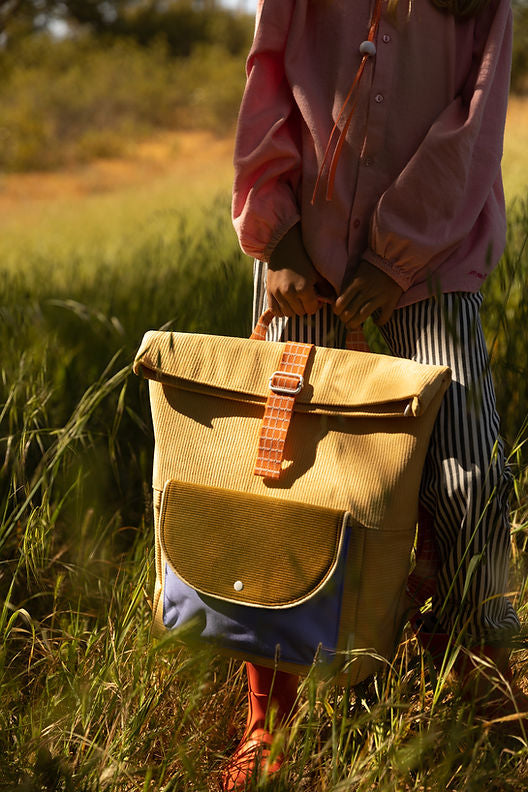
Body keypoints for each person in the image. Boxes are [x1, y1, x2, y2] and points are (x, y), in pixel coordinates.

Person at [224, 0, 525, 787]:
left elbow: (476, 115)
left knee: (470, 481)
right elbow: (267, 79)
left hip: (431, 250)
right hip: (301, 254)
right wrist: (275, 226)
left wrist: (396, 251)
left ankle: (481, 683)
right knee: (281, 482)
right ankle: (269, 719)